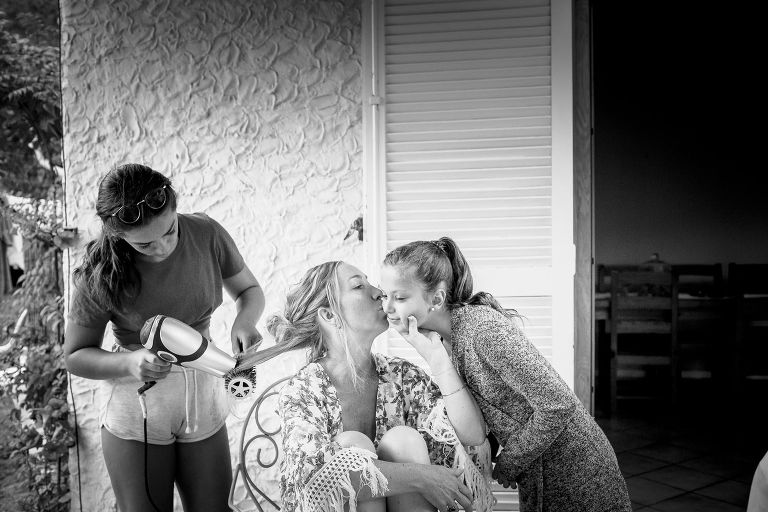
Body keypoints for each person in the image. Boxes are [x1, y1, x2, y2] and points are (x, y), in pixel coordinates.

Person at [64, 164, 265, 512]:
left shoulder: (206, 233)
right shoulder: (101, 270)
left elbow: (249, 290)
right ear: (117, 234)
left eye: (170, 231)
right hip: (137, 404)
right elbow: (75, 356)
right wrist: (129, 362)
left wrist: (244, 322)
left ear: (174, 205)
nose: (161, 248)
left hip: (202, 394)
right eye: (144, 243)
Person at [380, 237, 632, 512]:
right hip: (541, 471)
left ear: (437, 299)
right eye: (384, 295)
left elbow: (558, 404)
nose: (387, 307)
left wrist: (511, 461)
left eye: (400, 298)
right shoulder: (444, 341)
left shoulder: (481, 330)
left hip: (578, 471)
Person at [238, 261, 494, 512]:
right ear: (329, 315)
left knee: (403, 440)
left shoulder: (402, 377)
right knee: (353, 445)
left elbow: (472, 436)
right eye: (359, 286)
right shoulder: (303, 391)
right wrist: (422, 477)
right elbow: (312, 476)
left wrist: (437, 357)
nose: (379, 293)